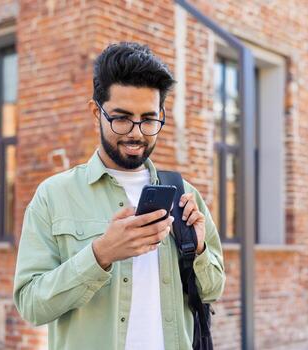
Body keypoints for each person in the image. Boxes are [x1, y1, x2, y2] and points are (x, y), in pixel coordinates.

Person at [13, 42, 225, 350]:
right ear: (95, 112)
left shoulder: (184, 194)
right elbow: (30, 304)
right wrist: (101, 255)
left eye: (149, 119)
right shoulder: (53, 195)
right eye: (121, 118)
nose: (136, 133)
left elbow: (213, 290)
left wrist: (199, 247)